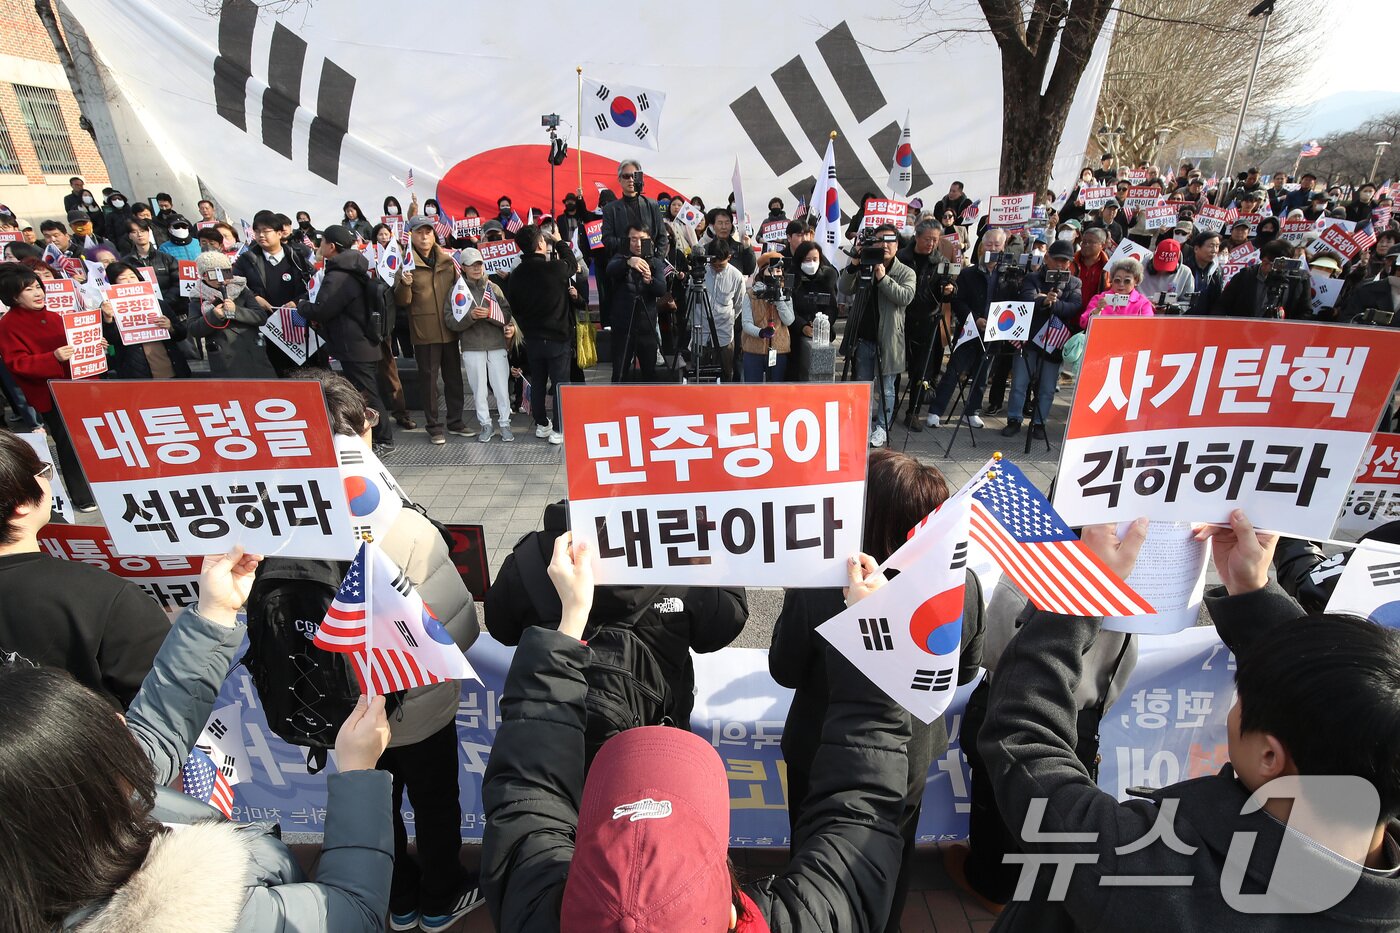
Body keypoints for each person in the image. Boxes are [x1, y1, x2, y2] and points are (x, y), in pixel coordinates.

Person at [977, 511, 1400, 928]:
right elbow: (1343, 709)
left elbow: (1025, 740)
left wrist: (1076, 598)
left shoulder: (1143, 870)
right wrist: (1253, 591)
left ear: (1270, 756)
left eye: (1245, 698)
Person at [482, 530, 912, 932]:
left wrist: (570, 621)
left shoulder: (529, 903)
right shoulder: (528, 898)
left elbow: (527, 792)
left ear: (568, 892)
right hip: (664, 713)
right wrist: (869, 637)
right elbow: (861, 811)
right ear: (729, 908)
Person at [0, 545, 396, 932]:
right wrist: (358, 774)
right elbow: (353, 912)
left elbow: (156, 730)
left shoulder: (49, 821)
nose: (123, 719)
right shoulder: (198, 909)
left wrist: (215, 613)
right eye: (106, 730)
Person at [290, 368, 482, 932]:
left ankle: (395, 899)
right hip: (416, 708)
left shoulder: (277, 522)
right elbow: (461, 632)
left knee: (371, 798)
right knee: (434, 800)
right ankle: (441, 897)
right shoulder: (406, 528)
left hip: (334, 709)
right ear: (363, 427)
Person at [770, 449, 984, 933]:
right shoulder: (962, 584)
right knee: (892, 853)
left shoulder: (822, 585)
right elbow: (967, 670)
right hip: (910, 753)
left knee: (818, 852)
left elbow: (784, 669)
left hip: (824, 750)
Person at [0, 428, 170, 708]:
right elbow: (166, 706)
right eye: (42, 471)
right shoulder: (107, 597)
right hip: (100, 748)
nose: (46, 478)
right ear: (20, 501)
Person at [0, 263, 98, 511]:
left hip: (79, 386)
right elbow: (17, 363)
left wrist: (96, 342)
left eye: (38, 287)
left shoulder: (55, 316)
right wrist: (52, 357)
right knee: (68, 443)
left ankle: (100, 485)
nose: (37, 293)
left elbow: (77, 347)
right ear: (13, 296)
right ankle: (81, 495)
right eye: (29, 290)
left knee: (93, 438)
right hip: (51, 393)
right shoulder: (8, 325)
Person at [296, 225, 393, 452]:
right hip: (361, 343)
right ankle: (380, 436)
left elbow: (323, 309)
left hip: (355, 345)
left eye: (322, 243)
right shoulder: (353, 268)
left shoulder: (338, 275)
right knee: (366, 390)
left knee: (367, 393)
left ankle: (384, 439)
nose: (319, 247)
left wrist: (302, 306)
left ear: (331, 246)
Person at [927, 228, 1016, 430]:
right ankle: (936, 410)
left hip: (995, 332)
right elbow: (958, 301)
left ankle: (972, 411)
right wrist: (974, 319)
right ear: (982, 246)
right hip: (969, 329)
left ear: (1003, 247)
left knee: (982, 375)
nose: (993, 248)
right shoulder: (969, 273)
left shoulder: (1009, 275)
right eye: (989, 244)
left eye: (997, 245)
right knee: (954, 371)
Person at [394, 216, 470, 444]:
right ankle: (434, 426)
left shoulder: (448, 262)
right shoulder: (406, 265)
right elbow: (401, 301)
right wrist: (404, 285)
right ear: (412, 236)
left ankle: (456, 421)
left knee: (454, 378)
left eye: (428, 231)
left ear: (434, 234)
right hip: (424, 331)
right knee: (428, 381)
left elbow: (460, 292)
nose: (424, 236)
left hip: (449, 329)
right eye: (419, 232)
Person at [840, 224, 913, 448]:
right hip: (863, 339)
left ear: (898, 245)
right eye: (880, 240)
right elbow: (845, 287)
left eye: (890, 240)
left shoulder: (905, 271)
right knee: (862, 386)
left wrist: (883, 278)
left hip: (889, 340)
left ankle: (882, 427)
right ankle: (861, 424)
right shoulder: (865, 263)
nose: (885, 245)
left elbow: (905, 296)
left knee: (887, 388)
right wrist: (855, 262)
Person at [505, 224, 578, 445]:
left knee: (538, 381)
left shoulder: (515, 275)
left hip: (533, 338)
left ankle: (541, 424)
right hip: (558, 337)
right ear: (540, 244)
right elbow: (573, 265)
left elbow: (514, 308)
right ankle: (558, 428)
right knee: (559, 383)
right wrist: (559, 241)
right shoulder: (554, 268)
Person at [1002, 238, 1082, 439]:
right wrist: (1043, 301)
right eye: (1057, 260)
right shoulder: (1033, 278)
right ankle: (1014, 419)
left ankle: (1039, 422)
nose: (1061, 264)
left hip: (1054, 343)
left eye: (1066, 261)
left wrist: (1053, 304)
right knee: (1019, 382)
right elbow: (1027, 299)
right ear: (1047, 258)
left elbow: (1074, 307)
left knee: (1047, 387)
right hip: (1029, 338)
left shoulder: (1074, 283)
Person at [445, 247, 516, 441]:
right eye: (472, 265)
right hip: (471, 346)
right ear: (464, 268)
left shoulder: (493, 287)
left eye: (479, 264)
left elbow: (507, 315)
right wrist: (470, 317)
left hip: (496, 345)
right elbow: (450, 321)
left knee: (501, 387)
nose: (477, 268)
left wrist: (490, 315)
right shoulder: (456, 290)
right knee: (479, 390)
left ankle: (505, 423)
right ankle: (485, 424)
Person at [234, 210, 312, 375]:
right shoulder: (247, 259)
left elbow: (312, 286)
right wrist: (254, 298)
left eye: (266, 231)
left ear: (279, 233)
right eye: (257, 231)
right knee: (275, 370)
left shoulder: (296, 257)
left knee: (303, 370)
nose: (261, 235)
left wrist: (298, 302)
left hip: (295, 322)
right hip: (265, 325)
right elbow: (235, 285)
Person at [896, 218, 955, 429]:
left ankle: (913, 411)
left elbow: (949, 292)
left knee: (923, 371)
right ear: (917, 237)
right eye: (928, 239)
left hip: (928, 320)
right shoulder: (901, 257)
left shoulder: (941, 262)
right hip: (902, 318)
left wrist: (949, 291)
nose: (931, 243)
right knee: (896, 366)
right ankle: (892, 406)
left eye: (935, 240)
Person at [186, 249, 277, 378]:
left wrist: (236, 311)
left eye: (226, 273)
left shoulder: (241, 288)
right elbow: (193, 329)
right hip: (224, 357)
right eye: (214, 274)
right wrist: (214, 316)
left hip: (252, 352)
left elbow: (261, 317)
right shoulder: (197, 297)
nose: (221, 279)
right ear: (204, 275)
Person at [99, 262, 190, 380]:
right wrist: (108, 319)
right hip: (136, 373)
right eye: (122, 278)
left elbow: (182, 334)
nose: (129, 281)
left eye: (132, 276)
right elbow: (111, 341)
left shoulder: (159, 304)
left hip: (172, 368)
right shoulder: (109, 309)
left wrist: (171, 327)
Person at [606, 224, 667, 382]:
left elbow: (661, 289)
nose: (638, 244)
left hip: (647, 327)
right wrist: (628, 262)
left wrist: (650, 280)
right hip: (623, 327)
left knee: (649, 374)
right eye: (633, 239)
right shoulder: (620, 257)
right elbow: (610, 270)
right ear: (627, 240)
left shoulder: (655, 262)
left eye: (642, 239)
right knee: (619, 374)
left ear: (650, 241)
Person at [1217, 239, 1312, 319]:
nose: (1269, 268)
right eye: (1266, 263)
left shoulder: (1299, 279)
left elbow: (1305, 311)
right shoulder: (1246, 275)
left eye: (1274, 265)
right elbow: (1223, 304)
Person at [600, 159, 670, 260]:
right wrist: (631, 244)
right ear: (619, 179)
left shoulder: (652, 204)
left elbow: (662, 237)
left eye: (634, 176)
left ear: (639, 179)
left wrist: (656, 261)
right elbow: (607, 240)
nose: (631, 179)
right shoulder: (610, 209)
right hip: (622, 262)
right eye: (626, 176)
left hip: (650, 263)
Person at [789, 240, 837, 382]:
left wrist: (822, 323)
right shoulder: (791, 276)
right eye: (807, 260)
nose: (811, 263)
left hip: (821, 331)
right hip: (796, 333)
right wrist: (803, 326)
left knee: (821, 374)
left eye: (815, 259)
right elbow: (788, 308)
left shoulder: (828, 275)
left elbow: (832, 306)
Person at [739, 260, 795, 382]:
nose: (775, 273)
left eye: (778, 270)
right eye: (771, 269)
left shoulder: (785, 294)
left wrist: (779, 300)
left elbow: (789, 320)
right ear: (762, 272)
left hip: (778, 350)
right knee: (753, 390)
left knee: (775, 390)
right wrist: (761, 332)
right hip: (753, 350)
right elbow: (746, 323)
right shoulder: (751, 294)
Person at [1080, 258, 1154, 328]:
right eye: (1117, 280)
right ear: (1112, 280)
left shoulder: (1143, 303)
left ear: (1136, 281)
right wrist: (1097, 310)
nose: (1121, 284)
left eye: (1127, 281)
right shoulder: (1099, 299)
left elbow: (1148, 328)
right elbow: (1083, 324)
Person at [123, 216, 181, 305]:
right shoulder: (126, 262)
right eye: (134, 232)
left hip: (170, 306)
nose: (139, 235)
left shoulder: (166, 258)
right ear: (130, 236)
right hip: (142, 307)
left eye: (142, 231)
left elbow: (178, 282)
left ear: (149, 232)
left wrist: (166, 302)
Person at [694, 207, 757, 276]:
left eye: (727, 223)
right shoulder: (706, 248)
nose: (724, 227)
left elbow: (749, 270)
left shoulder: (739, 247)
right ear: (714, 226)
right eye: (720, 223)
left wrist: (748, 248)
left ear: (731, 225)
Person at [1138, 238, 1194, 309]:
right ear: (1154, 254)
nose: (1163, 270)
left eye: (1168, 266)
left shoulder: (1186, 273)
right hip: (1141, 314)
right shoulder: (1138, 268)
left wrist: (1172, 310)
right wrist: (1143, 304)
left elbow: (1187, 302)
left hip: (1169, 317)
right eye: (1160, 264)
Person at [1069, 226, 1110, 315]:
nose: (1085, 245)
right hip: (1070, 314)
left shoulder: (1110, 267)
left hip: (1095, 316)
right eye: (1084, 242)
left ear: (1102, 245)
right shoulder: (1070, 262)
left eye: (1091, 242)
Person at [1183, 231, 1223, 315]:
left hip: (1207, 320)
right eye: (1211, 246)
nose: (1214, 250)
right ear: (1196, 249)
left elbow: (1217, 300)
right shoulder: (1185, 269)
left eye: (1217, 246)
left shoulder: (1217, 271)